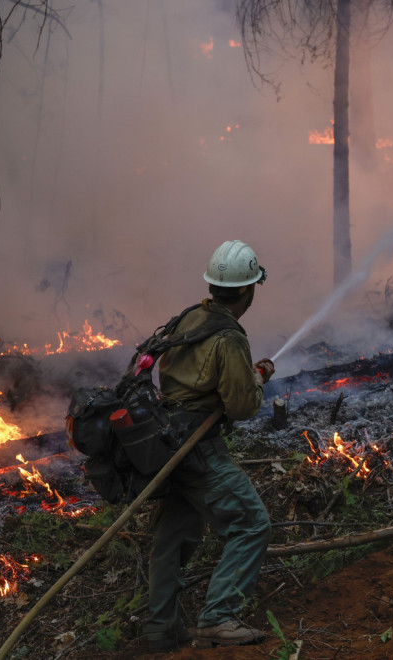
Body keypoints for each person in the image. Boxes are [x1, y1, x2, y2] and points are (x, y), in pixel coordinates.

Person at [141, 239, 276, 650]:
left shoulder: (188, 318)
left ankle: (160, 629)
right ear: (248, 290)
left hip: (168, 444)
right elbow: (241, 406)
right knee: (252, 523)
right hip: (198, 449)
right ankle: (219, 617)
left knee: (173, 536)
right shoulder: (229, 337)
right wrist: (257, 378)